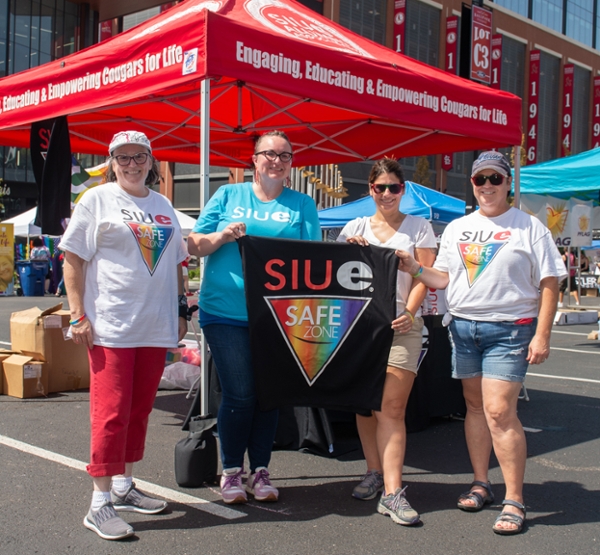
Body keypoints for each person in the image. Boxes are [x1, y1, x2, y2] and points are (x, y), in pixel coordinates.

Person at [396, 151, 566, 535]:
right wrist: (415, 268)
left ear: (508, 183)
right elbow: (443, 279)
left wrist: (542, 335)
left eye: (495, 178)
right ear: (472, 184)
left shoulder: (529, 227)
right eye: (480, 179)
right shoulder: (459, 228)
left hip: (510, 330)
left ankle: (515, 498)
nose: (487, 186)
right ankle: (481, 483)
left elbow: (550, 282)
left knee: (499, 412)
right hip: (463, 328)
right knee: (474, 408)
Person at [60, 131, 188, 541]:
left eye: (139, 157)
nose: (132, 165)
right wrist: (77, 316)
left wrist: (182, 309)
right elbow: (72, 259)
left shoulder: (163, 204)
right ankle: (99, 504)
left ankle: (123, 485)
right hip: (111, 327)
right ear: (112, 162)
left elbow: (178, 261)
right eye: (123, 157)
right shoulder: (96, 200)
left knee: (138, 411)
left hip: (155, 326)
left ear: (151, 161)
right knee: (111, 413)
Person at [187, 130, 321, 505]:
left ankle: (260, 470)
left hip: (277, 315)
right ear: (254, 159)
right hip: (224, 311)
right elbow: (194, 244)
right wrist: (222, 236)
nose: (276, 161)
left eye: (285, 155)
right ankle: (232, 470)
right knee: (241, 392)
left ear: (291, 163)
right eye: (269, 154)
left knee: (268, 394)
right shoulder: (228, 195)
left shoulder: (302, 204)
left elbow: (313, 260)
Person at [337, 158, 436, 526]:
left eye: (394, 187)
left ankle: (393, 493)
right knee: (365, 406)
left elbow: (425, 276)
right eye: (380, 187)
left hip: (401, 326)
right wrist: (348, 248)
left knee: (391, 408)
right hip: (359, 328)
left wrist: (410, 311)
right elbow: (335, 276)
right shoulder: (354, 227)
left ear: (403, 190)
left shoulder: (419, 227)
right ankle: (374, 471)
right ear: (370, 190)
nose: (387, 193)